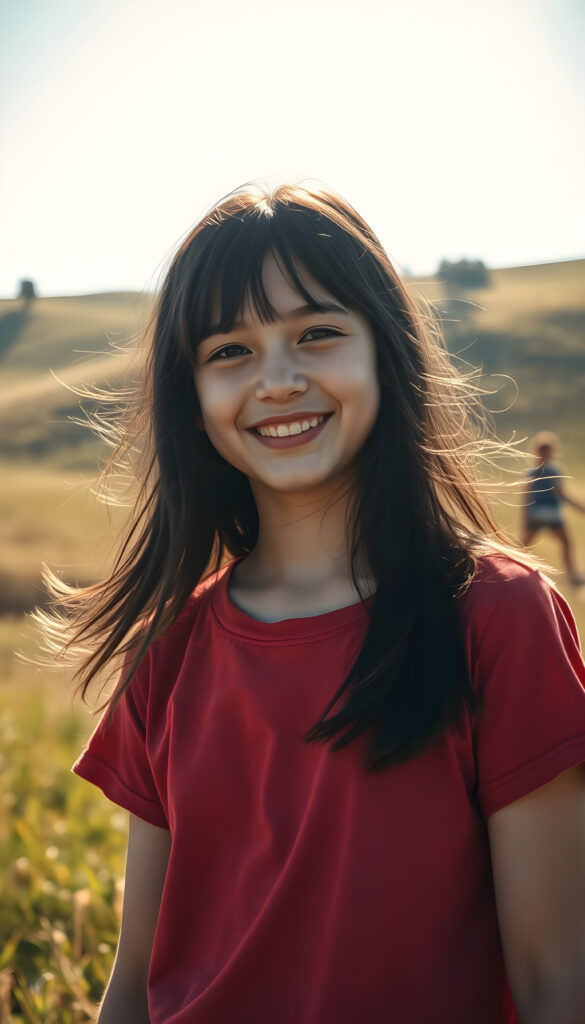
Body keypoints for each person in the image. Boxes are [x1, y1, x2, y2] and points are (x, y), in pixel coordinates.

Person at [39, 181, 585, 1023]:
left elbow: (556, 977)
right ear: (191, 395)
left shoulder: (497, 617)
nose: (279, 379)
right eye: (229, 351)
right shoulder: (168, 647)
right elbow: (136, 976)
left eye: (317, 333)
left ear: (385, 350)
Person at [521, 431, 585, 585]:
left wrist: (525, 520)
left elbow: (526, 498)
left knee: (523, 546)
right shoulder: (554, 471)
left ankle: (515, 571)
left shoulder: (531, 472)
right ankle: (573, 576)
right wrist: (580, 508)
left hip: (535, 514)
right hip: (552, 515)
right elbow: (562, 494)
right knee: (566, 543)